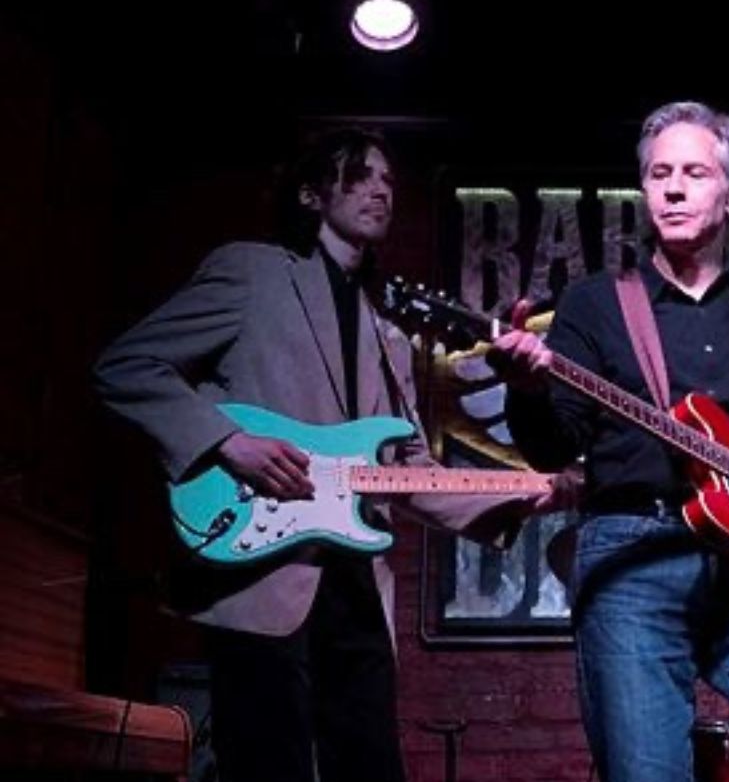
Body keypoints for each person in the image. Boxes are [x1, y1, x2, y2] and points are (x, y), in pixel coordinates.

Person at [94, 127, 538, 782]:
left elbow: (409, 473)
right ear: (310, 193)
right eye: (359, 175)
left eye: (388, 180)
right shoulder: (252, 273)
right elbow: (128, 365)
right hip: (263, 569)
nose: (380, 190)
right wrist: (227, 442)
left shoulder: (388, 335)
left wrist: (530, 492)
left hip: (357, 587)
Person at [490, 100, 729, 781]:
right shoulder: (594, 303)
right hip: (631, 552)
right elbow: (552, 449)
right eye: (658, 173)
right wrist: (526, 390)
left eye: (694, 173)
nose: (672, 188)